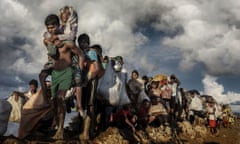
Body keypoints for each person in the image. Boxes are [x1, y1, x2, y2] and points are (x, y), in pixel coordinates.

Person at [43, 14, 83, 140]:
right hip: (55, 73)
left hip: (67, 72)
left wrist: (80, 68)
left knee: (60, 98)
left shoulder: (68, 42)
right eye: (48, 28)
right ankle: (57, 126)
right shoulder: (46, 41)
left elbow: (80, 54)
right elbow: (51, 54)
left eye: (53, 27)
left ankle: (60, 130)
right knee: (54, 101)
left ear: (58, 25)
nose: (51, 30)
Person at [77, 33, 104, 140]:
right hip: (84, 81)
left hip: (91, 81)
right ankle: (87, 130)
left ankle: (87, 132)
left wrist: (87, 80)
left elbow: (96, 68)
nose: (82, 44)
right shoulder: (80, 53)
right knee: (83, 106)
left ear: (88, 43)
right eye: (80, 42)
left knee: (90, 105)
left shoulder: (91, 52)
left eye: (84, 42)